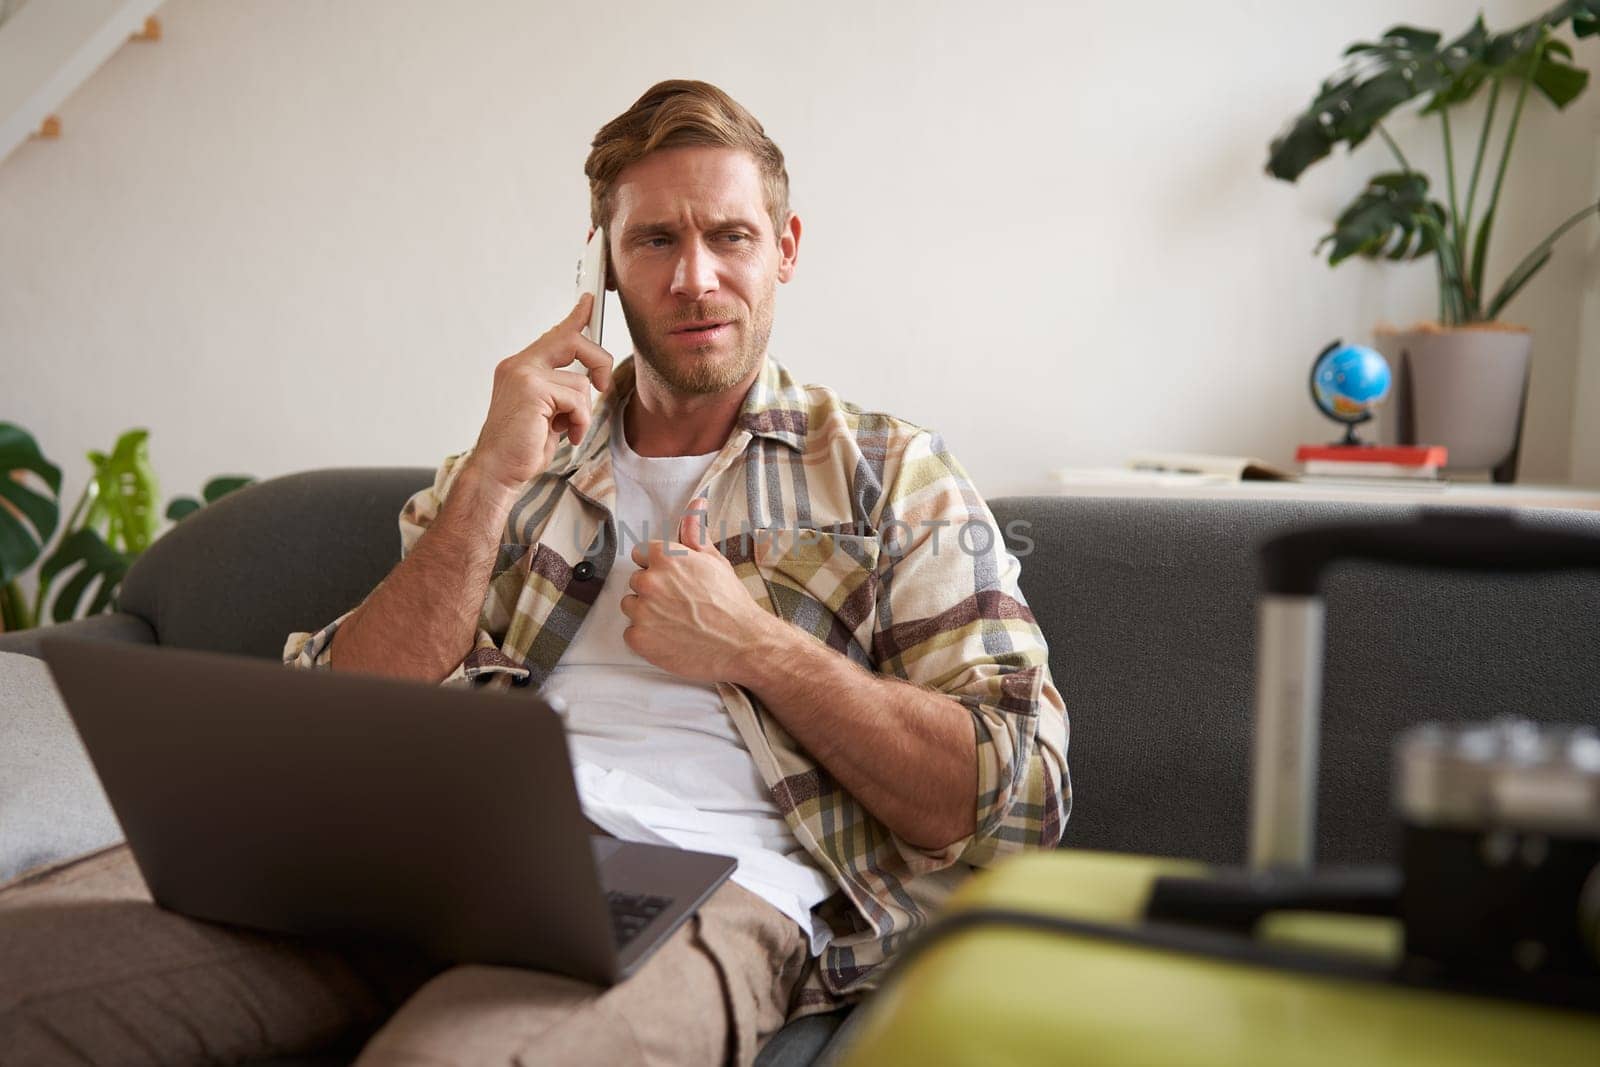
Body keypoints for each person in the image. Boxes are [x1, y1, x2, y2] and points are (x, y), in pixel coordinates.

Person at [0, 80, 1068, 1066]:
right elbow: (346, 711)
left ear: (784, 247)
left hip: (691, 875)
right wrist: (489, 482)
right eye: (655, 239)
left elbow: (1013, 792)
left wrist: (757, 647)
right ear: (602, 265)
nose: (694, 276)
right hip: (420, 844)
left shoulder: (890, 472)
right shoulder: (515, 457)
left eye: (729, 235)